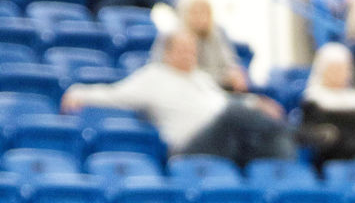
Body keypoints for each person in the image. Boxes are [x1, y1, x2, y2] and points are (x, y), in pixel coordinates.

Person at [61, 31, 293, 164]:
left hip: (223, 142)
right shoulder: (154, 76)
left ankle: (290, 148)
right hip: (189, 146)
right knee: (233, 114)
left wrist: (257, 102)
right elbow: (115, 94)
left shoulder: (200, 77)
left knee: (274, 145)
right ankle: (295, 131)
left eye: (192, 50)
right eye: (183, 50)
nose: (189, 55)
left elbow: (222, 100)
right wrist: (78, 92)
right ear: (168, 52)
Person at [298, 43, 355, 168]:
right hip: (333, 160)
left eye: (343, 69)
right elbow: (312, 135)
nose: (339, 74)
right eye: (333, 69)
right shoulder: (313, 100)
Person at [153, 0, 247, 91]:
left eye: (205, 12)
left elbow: (229, 62)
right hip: (185, 88)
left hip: (217, 88)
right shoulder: (171, 36)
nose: (201, 17)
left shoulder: (217, 34)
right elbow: (163, 70)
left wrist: (234, 74)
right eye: (195, 12)